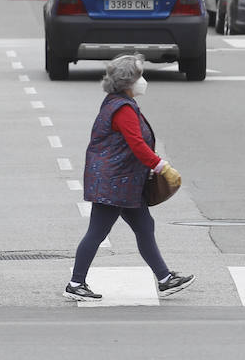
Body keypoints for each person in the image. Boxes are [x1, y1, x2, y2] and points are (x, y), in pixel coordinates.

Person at [65, 53, 194, 302]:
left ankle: (165, 278)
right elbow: (137, 145)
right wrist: (162, 167)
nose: (143, 81)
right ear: (127, 81)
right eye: (139, 76)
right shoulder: (122, 109)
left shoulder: (120, 102)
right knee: (97, 232)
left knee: (144, 226)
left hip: (124, 182)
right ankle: (75, 283)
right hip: (114, 183)